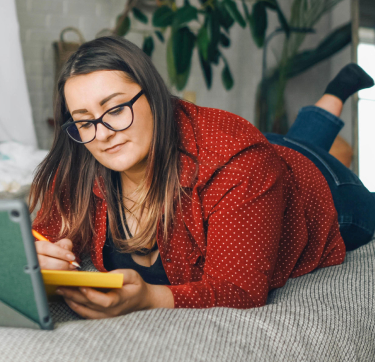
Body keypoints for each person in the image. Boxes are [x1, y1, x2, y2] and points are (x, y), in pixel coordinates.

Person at [30, 36, 375, 319]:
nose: (102, 134)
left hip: (325, 188)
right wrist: (37, 255)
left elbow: (239, 289)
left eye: (117, 109)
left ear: (155, 97)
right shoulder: (81, 151)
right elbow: (38, 237)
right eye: (85, 120)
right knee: (289, 142)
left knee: (301, 148)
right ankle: (335, 93)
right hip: (258, 156)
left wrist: (149, 297)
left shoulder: (240, 160)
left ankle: (337, 92)